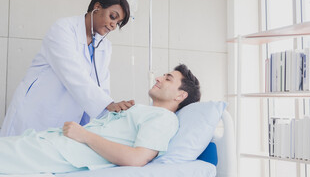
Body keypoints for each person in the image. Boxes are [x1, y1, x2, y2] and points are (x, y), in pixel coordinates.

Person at [0, 64, 201, 174]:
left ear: (180, 96)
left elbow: (136, 158)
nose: (158, 78)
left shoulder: (164, 118)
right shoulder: (141, 110)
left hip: (63, 152)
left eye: (167, 78)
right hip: (53, 143)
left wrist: (84, 135)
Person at [0, 0, 135, 137]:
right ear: (97, 7)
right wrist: (107, 104)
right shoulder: (63, 29)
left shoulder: (104, 46)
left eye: (117, 22)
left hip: (70, 122)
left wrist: (113, 112)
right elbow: (72, 73)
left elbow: (102, 86)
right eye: (112, 16)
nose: (113, 25)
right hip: (38, 114)